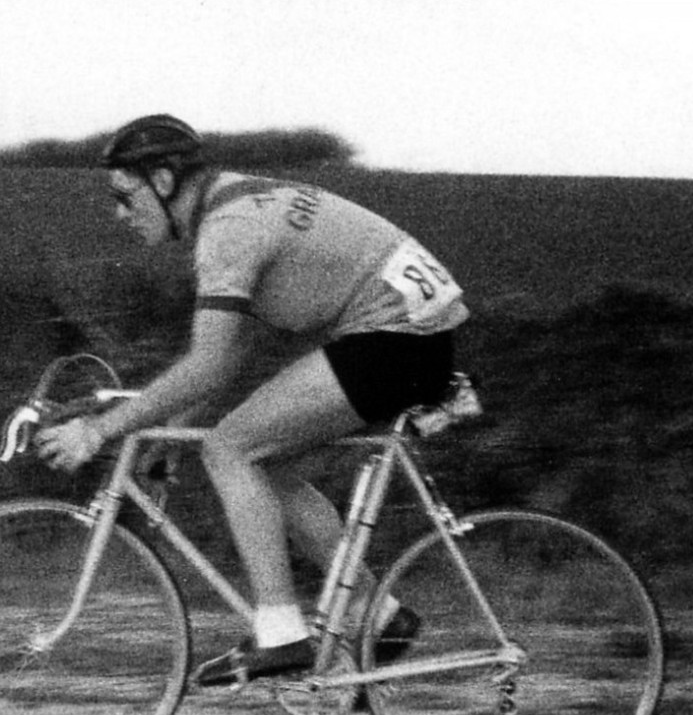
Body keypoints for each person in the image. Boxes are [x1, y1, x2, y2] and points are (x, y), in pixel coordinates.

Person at [36, 114, 468, 684]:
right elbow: (230, 353)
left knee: (229, 449)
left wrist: (99, 430)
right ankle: (376, 612)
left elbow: (210, 362)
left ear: (163, 181)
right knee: (267, 462)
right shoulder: (237, 201)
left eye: (124, 196)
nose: (119, 214)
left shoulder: (228, 230)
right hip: (414, 335)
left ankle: (282, 634)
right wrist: (168, 433)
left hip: (397, 338)